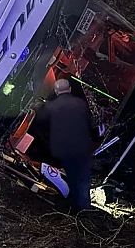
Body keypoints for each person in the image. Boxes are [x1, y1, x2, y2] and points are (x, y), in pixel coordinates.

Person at [34, 78, 94, 212]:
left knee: (70, 176)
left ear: (56, 91)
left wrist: (38, 104)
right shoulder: (81, 104)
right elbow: (90, 123)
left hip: (63, 148)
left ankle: (73, 208)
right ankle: (84, 206)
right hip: (82, 147)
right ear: (70, 89)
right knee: (83, 177)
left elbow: (39, 118)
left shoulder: (51, 106)